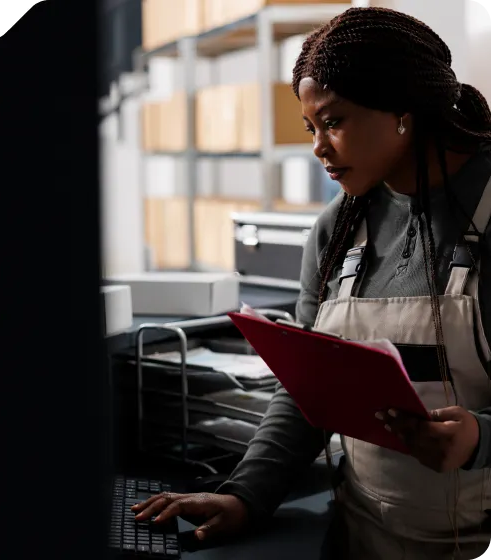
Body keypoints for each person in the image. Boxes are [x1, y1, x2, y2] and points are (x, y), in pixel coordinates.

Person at [132, 7, 491, 560]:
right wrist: (246, 496)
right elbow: (308, 391)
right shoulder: (338, 229)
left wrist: (478, 440)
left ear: (402, 110)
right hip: (361, 536)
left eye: (335, 121)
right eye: (311, 128)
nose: (319, 147)